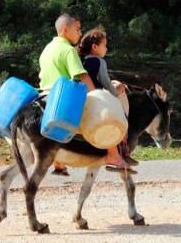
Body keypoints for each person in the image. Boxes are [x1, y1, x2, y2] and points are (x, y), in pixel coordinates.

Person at [38, 14, 135, 175]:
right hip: (62, 97)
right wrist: (98, 96)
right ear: (65, 29)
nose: (80, 33)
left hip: (44, 96)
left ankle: (59, 162)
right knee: (106, 114)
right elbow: (82, 76)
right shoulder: (68, 50)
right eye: (77, 29)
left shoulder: (47, 49)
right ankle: (114, 156)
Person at [78, 26, 139, 167]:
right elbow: (107, 85)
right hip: (98, 98)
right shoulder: (100, 62)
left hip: (83, 98)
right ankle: (124, 148)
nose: (107, 48)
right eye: (104, 45)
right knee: (121, 115)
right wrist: (118, 89)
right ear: (94, 46)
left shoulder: (82, 61)